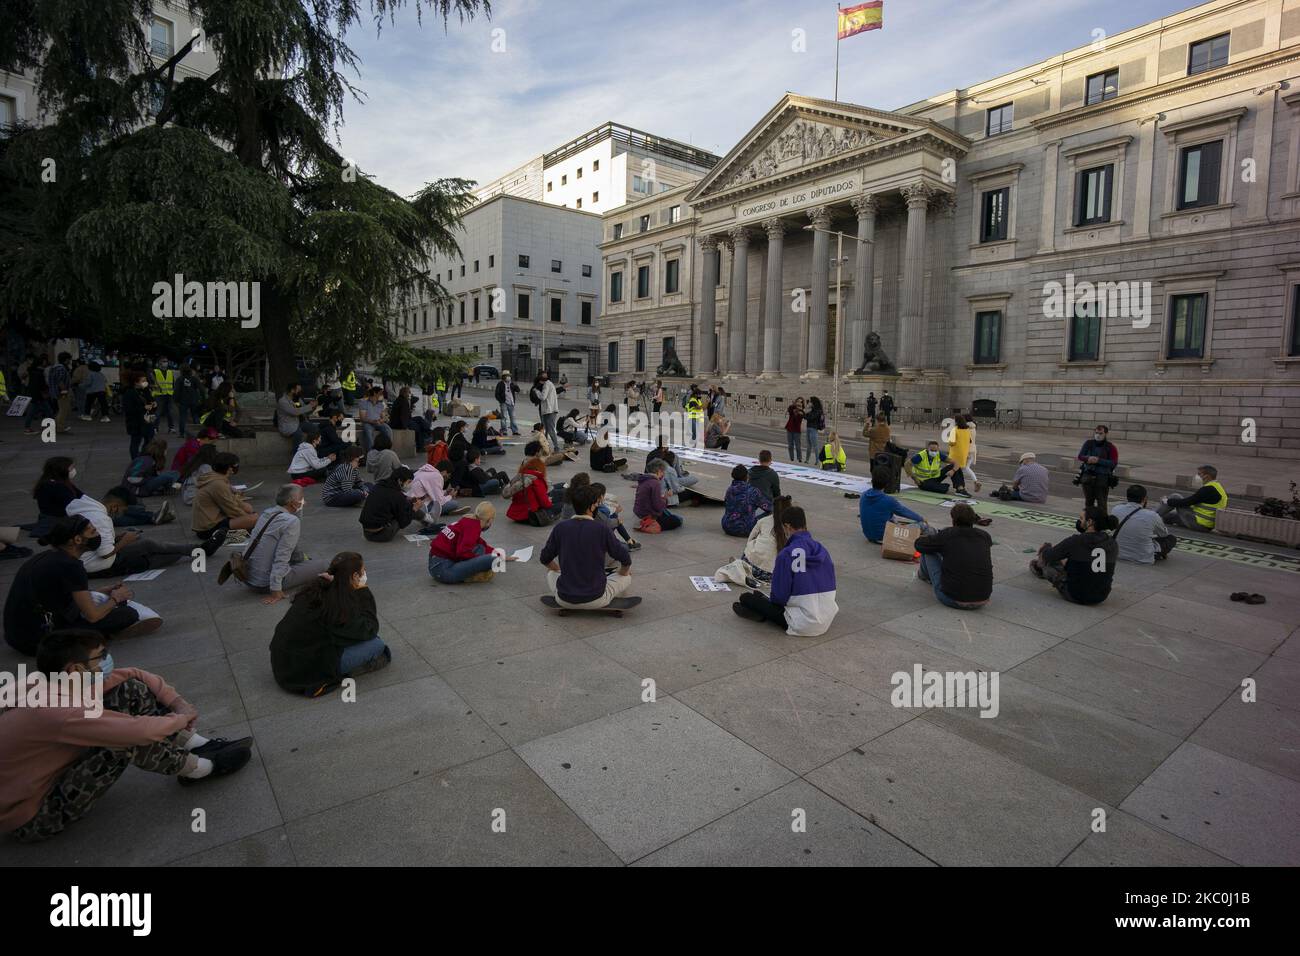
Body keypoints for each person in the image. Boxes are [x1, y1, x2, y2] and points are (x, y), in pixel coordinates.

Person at [0, 629, 254, 841]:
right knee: (126, 739)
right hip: (34, 812)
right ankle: (199, 768)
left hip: (46, 773)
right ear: (75, 668)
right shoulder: (55, 711)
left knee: (129, 690)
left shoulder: (44, 681)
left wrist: (178, 704)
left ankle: (194, 744)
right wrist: (180, 718)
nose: (106, 661)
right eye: (100, 657)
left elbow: (134, 674)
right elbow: (137, 731)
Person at [3, 517, 164, 655]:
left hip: (16, 636)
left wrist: (100, 592)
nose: (97, 535)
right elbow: (92, 615)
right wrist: (116, 599)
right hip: (39, 641)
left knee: (102, 603)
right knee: (128, 614)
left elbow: (60, 595)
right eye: (92, 532)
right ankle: (101, 636)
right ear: (77, 540)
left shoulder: (46, 557)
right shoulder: (72, 566)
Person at [270, 552, 391, 696]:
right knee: (376, 645)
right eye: (363, 571)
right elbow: (370, 628)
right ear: (354, 577)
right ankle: (344, 671)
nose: (365, 574)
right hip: (304, 671)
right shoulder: (335, 604)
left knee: (356, 637)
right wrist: (362, 590)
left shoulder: (318, 589)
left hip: (283, 663)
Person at [732, 506, 838, 637]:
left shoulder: (786, 554)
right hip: (826, 618)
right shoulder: (822, 550)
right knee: (762, 597)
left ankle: (762, 614)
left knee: (746, 598)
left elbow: (779, 598)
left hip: (801, 623)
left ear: (787, 526)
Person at [67, 489, 207, 578]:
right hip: (97, 564)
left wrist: (118, 538)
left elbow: (98, 542)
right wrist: (125, 541)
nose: (121, 515)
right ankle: (193, 550)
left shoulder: (93, 509)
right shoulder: (101, 518)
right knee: (147, 551)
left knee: (147, 545)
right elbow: (105, 553)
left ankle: (191, 550)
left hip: (92, 559)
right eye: (122, 511)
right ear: (115, 507)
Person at [541, 484, 634, 609]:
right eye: (596, 504)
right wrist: (622, 573)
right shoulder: (602, 529)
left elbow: (544, 558)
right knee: (626, 577)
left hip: (564, 598)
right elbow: (625, 558)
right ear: (591, 506)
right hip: (597, 598)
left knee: (551, 573)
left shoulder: (560, 527)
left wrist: (558, 570)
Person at [232, 485, 330, 604]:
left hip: (248, 577)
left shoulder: (267, 513)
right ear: (292, 502)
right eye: (302, 498)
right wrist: (276, 590)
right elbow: (282, 556)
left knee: (303, 559)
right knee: (324, 564)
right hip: (265, 583)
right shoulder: (291, 521)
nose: (305, 502)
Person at [1030, 506, 1119, 605]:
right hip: (1101, 595)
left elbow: (1048, 556)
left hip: (1075, 594)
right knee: (1075, 561)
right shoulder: (1112, 543)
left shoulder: (1076, 541)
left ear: (1089, 522)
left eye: (1081, 519)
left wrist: (1045, 547)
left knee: (1048, 562)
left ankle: (1038, 567)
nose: (1079, 522)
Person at [915, 503, 993, 610]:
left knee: (929, 549)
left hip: (952, 599)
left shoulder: (948, 534)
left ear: (953, 520)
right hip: (983, 598)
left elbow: (919, 545)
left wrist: (932, 537)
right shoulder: (985, 536)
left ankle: (924, 575)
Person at [428, 502, 517, 584]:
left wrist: (501, 555)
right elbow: (462, 553)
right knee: (492, 559)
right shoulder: (473, 528)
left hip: (435, 564)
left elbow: (481, 544)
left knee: (481, 548)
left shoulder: (468, 521)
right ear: (490, 520)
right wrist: (478, 560)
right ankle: (469, 575)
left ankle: (468, 572)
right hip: (443, 570)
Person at [716, 495, 791, 589]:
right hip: (773, 576)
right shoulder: (791, 527)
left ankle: (743, 568)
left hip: (753, 569)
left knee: (753, 543)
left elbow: (750, 539)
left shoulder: (764, 521)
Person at [192, 452, 258, 542]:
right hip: (207, 529)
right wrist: (249, 520)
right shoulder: (218, 484)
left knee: (250, 512)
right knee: (255, 520)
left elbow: (238, 504)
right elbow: (232, 509)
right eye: (235, 465)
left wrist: (247, 510)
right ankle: (226, 537)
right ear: (229, 468)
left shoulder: (216, 478)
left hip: (212, 522)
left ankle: (243, 533)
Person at [359, 466, 433, 541]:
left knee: (406, 504)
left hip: (366, 533)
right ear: (400, 481)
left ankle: (426, 518)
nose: (409, 485)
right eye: (409, 482)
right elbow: (403, 523)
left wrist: (406, 499)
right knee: (409, 508)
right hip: (382, 534)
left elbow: (391, 498)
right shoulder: (397, 496)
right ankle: (429, 520)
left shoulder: (379, 485)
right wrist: (414, 509)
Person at [859, 466, 930, 544]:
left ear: (872, 481)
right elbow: (905, 512)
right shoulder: (888, 500)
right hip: (884, 537)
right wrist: (921, 518)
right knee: (923, 525)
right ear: (887, 484)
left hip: (869, 536)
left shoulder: (864, 495)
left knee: (890, 515)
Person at [1113, 484, 1177, 564]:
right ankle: (1159, 554)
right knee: (1171, 539)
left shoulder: (1116, 509)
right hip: (1142, 557)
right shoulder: (1152, 515)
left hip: (1117, 553)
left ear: (1127, 497)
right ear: (1145, 499)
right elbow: (1164, 534)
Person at [1156, 465, 1228, 532]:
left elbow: (1186, 502)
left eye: (1199, 474)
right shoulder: (1217, 487)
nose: (1197, 476)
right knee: (1167, 516)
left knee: (1175, 496)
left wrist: (1167, 501)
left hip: (1198, 523)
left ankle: (1150, 517)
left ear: (1207, 476)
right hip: (1205, 525)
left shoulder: (1208, 489)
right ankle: (1157, 516)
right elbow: (1193, 502)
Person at [31, 456, 84, 538]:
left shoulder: (61, 482)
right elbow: (73, 503)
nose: (73, 470)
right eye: (71, 468)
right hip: (56, 520)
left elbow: (81, 496)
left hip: (61, 517)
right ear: (62, 470)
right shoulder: (53, 486)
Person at [506, 451, 561, 526]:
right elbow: (545, 503)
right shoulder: (536, 479)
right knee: (563, 504)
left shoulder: (518, 477)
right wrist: (549, 502)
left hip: (515, 514)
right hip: (530, 515)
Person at [1075, 424, 1119, 512]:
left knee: (1101, 502)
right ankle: (1088, 519)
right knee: (1088, 501)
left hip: (1102, 477)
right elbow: (1080, 456)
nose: (1098, 435)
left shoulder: (1110, 447)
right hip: (1088, 475)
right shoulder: (1088, 443)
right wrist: (1088, 458)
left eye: (1101, 433)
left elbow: (1113, 462)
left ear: (1106, 434)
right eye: (1096, 433)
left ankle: (1101, 521)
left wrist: (1099, 461)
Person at [722, 465, 771, 537]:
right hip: (746, 529)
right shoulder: (753, 491)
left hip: (727, 526)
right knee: (767, 511)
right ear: (746, 476)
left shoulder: (730, 489)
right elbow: (768, 507)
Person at [633, 460, 682, 532]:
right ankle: (650, 524)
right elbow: (657, 506)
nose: (663, 474)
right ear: (659, 471)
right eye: (663, 472)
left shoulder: (644, 480)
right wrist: (665, 498)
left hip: (639, 512)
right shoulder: (655, 483)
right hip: (648, 514)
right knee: (678, 520)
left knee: (669, 515)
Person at [122, 370, 158, 460]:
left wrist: (154, 405)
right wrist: (144, 408)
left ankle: (143, 457)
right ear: (136, 382)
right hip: (136, 422)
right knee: (135, 442)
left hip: (147, 420)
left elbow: (151, 401)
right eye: (143, 381)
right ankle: (135, 460)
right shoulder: (129, 393)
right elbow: (129, 409)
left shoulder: (145, 391)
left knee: (149, 440)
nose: (145, 382)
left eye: (145, 380)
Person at [949, 416, 980, 493]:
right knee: (962, 468)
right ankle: (964, 485)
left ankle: (966, 485)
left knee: (959, 468)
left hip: (964, 451)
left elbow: (952, 442)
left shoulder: (959, 429)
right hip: (972, 450)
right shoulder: (972, 428)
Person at [173, 364, 205, 437]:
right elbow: (202, 389)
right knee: (195, 416)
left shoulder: (179, 379)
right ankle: (199, 433)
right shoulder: (194, 379)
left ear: (181, 371)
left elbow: (176, 391)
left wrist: (175, 400)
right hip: (194, 400)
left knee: (182, 417)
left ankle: (181, 434)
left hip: (183, 401)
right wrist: (203, 399)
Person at [356, 385, 391, 451]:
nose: (382, 395)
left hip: (378, 422)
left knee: (388, 430)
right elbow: (362, 418)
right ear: (375, 393)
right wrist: (373, 421)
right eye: (380, 393)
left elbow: (384, 416)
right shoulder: (363, 402)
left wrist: (382, 420)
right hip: (368, 423)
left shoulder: (381, 403)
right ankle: (371, 453)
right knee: (368, 433)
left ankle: (386, 451)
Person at [48, 352, 74, 435]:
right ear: (66, 360)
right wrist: (64, 392)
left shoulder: (55, 367)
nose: (70, 361)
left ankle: (56, 426)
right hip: (61, 392)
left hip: (56, 392)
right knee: (63, 410)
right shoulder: (61, 368)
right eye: (69, 359)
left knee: (62, 410)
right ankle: (60, 428)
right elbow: (60, 381)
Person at [151, 357, 176, 434]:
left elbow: (173, 383)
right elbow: (151, 382)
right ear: (159, 363)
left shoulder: (170, 372)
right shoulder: (155, 371)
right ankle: (155, 428)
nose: (165, 363)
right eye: (163, 361)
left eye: (166, 361)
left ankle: (171, 428)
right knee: (158, 412)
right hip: (159, 394)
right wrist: (154, 386)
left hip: (169, 394)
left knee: (170, 412)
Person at [802, 397, 825, 464]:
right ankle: (807, 460)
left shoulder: (818, 411)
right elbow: (805, 416)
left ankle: (817, 461)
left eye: (810, 402)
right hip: (808, 428)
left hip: (813, 429)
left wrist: (805, 413)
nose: (809, 403)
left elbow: (810, 418)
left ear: (813, 403)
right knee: (809, 445)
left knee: (815, 445)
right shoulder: (812, 410)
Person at [784, 398, 805, 462]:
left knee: (798, 445)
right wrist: (794, 405)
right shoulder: (792, 408)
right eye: (798, 401)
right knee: (790, 445)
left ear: (802, 403)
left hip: (797, 430)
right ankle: (792, 457)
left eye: (800, 402)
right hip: (789, 428)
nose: (799, 403)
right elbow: (789, 409)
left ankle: (799, 458)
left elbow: (803, 416)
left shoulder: (801, 411)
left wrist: (799, 410)